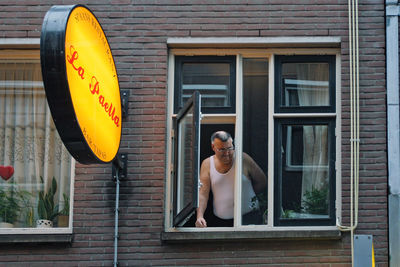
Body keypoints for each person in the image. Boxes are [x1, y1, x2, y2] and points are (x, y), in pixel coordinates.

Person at [195, 131, 267, 227]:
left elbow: (262, 181)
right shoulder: (207, 164)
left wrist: (246, 195)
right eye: (222, 149)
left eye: (229, 148)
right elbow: (203, 194)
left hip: (250, 217)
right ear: (213, 147)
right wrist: (200, 216)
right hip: (221, 221)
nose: (227, 153)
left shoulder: (243, 158)